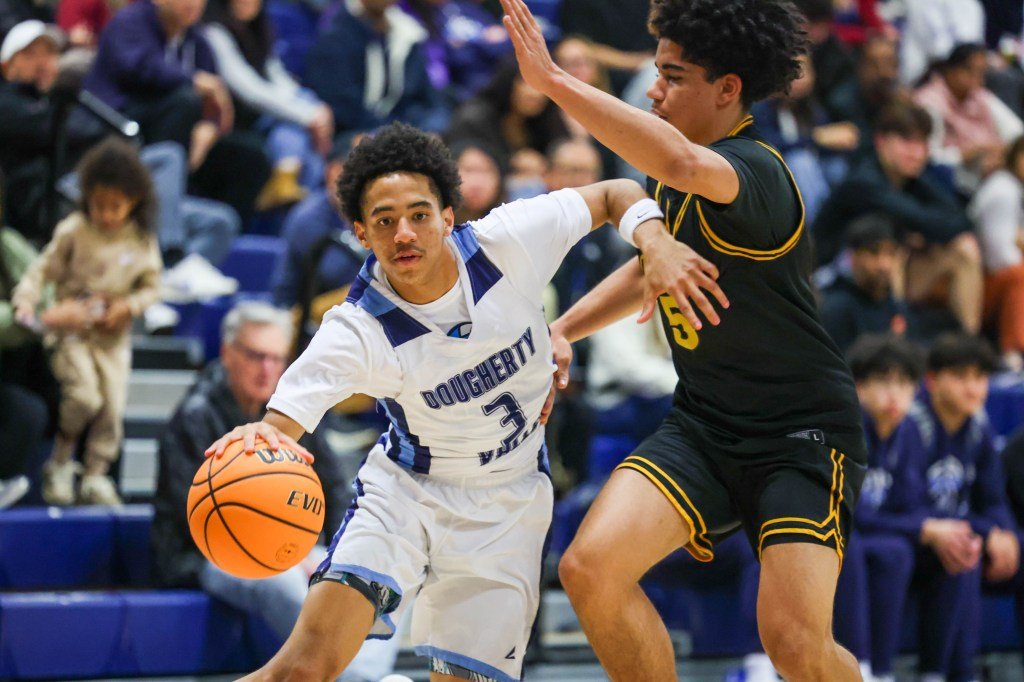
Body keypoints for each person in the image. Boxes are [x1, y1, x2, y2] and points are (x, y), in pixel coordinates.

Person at [204, 122, 683, 681]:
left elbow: (611, 195)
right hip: (407, 493)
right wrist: (261, 438)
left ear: (448, 216)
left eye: (419, 214)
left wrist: (655, 241)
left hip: (508, 507)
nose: (404, 232)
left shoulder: (509, 239)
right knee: (303, 668)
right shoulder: (356, 326)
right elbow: (279, 424)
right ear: (361, 232)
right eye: (384, 220)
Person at [501, 0, 866, 679]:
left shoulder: (754, 170)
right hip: (706, 423)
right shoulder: (670, 181)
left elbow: (679, 160)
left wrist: (554, 81)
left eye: (672, 76)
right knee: (589, 568)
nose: (654, 90)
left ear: (728, 89)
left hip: (799, 434)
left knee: (794, 646)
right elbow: (652, 264)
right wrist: (563, 327)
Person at [151, 300, 399, 682]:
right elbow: (195, 519)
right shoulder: (195, 415)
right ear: (227, 354)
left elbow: (333, 487)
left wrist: (338, 553)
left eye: (276, 359)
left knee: (378, 564)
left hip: (286, 545)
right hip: (213, 554)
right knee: (279, 579)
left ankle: (367, 673)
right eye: (256, 356)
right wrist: (290, 558)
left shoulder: (291, 411)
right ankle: (363, 678)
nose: (267, 369)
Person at [12, 138, 162, 506]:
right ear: (86, 197)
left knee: (112, 406)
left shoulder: (141, 239)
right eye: (99, 205)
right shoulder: (75, 230)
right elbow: (40, 269)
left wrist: (127, 306)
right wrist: (25, 300)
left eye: (117, 207)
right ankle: (60, 462)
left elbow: (152, 287)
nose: (107, 215)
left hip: (112, 338)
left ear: (135, 201)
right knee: (85, 396)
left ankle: (95, 474)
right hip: (73, 331)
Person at [83, 0, 272, 219]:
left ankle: (219, 236)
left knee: (252, 156)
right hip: (120, 127)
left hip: (181, 137)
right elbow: (140, 69)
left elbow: (213, 105)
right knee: (185, 101)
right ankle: (161, 213)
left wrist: (208, 129)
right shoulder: (130, 21)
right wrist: (195, 80)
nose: (193, 3)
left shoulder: (198, 40)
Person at [813, 102, 983, 335]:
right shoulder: (864, 181)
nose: (917, 152)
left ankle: (969, 346)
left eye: (923, 143)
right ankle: (897, 347)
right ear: (881, 142)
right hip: (835, 277)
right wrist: (921, 233)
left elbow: (962, 221)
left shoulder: (915, 179)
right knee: (892, 253)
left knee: (965, 249)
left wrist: (924, 235)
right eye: (908, 142)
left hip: (889, 272)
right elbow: (921, 220)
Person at [908, 333, 1019, 681]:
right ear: (932, 380)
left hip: (956, 530)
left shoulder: (978, 426)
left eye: (980, 377)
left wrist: (1005, 534)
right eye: (961, 376)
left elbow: (994, 498)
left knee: (970, 546)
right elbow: (910, 504)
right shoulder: (912, 425)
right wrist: (986, 532)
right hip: (914, 536)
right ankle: (940, 672)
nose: (973, 388)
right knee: (962, 553)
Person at [833, 335, 926, 682]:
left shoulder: (911, 432)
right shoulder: (843, 429)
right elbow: (842, 512)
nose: (895, 395)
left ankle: (883, 671)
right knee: (851, 546)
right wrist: (920, 528)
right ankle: (859, 668)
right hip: (834, 531)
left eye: (904, 383)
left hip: (876, 532)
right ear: (858, 387)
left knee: (897, 552)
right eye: (884, 382)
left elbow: (911, 506)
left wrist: (922, 528)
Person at [203, 0, 335, 206]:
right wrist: (307, 115)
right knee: (294, 128)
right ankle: (288, 186)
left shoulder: (260, 28)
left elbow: (278, 78)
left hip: (262, 117)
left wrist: (313, 108)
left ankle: (293, 190)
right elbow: (249, 89)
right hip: (237, 121)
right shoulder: (213, 31)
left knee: (304, 118)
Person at [306, 0, 449, 136]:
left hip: (406, 130)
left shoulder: (408, 33)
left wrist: (431, 130)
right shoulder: (334, 31)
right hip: (350, 134)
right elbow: (342, 109)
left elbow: (429, 100)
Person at [271, 135, 366, 310]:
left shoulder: (381, 213)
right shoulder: (308, 218)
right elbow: (332, 271)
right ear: (331, 172)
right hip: (310, 320)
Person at [915, 43, 1024, 191]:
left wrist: (1002, 152)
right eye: (973, 72)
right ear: (952, 70)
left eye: (982, 73)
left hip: (997, 164)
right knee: (1004, 190)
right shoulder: (929, 102)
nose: (979, 80)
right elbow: (930, 155)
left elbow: (1016, 132)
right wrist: (965, 154)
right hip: (957, 179)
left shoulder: (980, 95)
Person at [968, 135, 1024, 371]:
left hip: (996, 278)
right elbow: (999, 258)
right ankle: (1014, 352)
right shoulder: (1003, 190)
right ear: (1015, 156)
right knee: (1020, 274)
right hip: (979, 286)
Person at [818, 214, 911, 354]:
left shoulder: (897, 307)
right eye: (874, 252)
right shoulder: (834, 308)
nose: (884, 264)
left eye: (891, 253)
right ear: (853, 256)